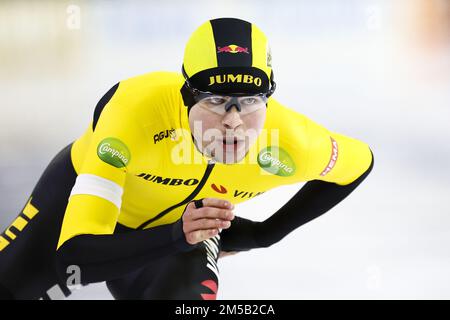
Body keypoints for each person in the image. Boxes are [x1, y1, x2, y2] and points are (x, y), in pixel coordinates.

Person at [0, 17, 374, 300]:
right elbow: (73, 261)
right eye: (214, 100)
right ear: (186, 96)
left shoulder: (292, 142)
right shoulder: (134, 113)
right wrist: (178, 234)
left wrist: (265, 234)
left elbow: (359, 163)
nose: (232, 120)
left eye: (249, 102)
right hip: (87, 208)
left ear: (268, 100)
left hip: (183, 234)